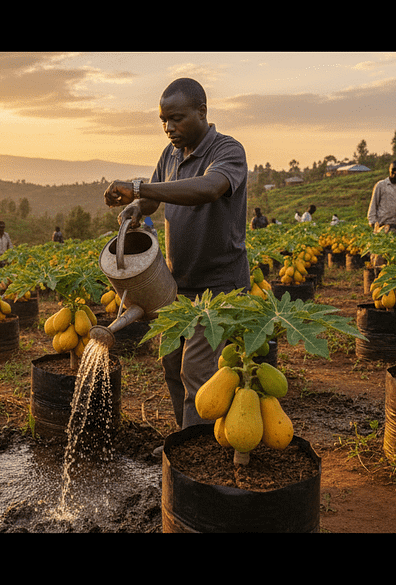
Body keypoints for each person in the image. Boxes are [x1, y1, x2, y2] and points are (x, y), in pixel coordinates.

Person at [103, 77, 249, 432]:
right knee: (171, 364)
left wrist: (139, 187)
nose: (169, 128)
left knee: (197, 370)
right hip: (176, 285)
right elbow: (154, 198)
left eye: (177, 118)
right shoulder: (170, 154)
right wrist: (138, 206)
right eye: (163, 121)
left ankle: (197, 460)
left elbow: (210, 188)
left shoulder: (227, 151)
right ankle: (184, 442)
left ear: (202, 112)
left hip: (219, 288)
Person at [367, 159, 396, 232]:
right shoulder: (381, 185)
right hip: (383, 226)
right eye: (393, 170)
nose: (395, 172)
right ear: (389, 170)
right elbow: (373, 205)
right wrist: (373, 223)